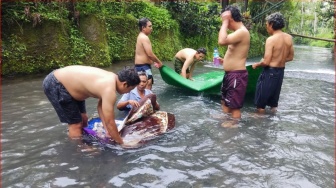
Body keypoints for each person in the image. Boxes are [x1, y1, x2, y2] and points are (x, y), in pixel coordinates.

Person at [42, 65, 140, 145]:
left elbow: (101, 108)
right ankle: (79, 150)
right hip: (56, 83)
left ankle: (80, 139)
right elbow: (110, 121)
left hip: (71, 86)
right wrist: (121, 143)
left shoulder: (112, 79)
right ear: (125, 84)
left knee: (84, 119)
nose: (128, 92)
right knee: (76, 124)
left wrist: (107, 131)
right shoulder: (109, 89)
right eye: (130, 89)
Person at [252, 12, 294, 114]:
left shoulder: (271, 39)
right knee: (273, 105)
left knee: (260, 105)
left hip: (269, 73)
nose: (266, 27)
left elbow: (266, 62)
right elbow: (290, 57)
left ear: (271, 24)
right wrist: (278, 60)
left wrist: (257, 64)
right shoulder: (289, 38)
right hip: (280, 73)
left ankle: (260, 127)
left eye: (267, 25)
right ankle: (272, 124)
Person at [218, 5, 250, 123]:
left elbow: (222, 41)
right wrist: (225, 60)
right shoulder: (238, 32)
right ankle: (226, 119)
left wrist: (225, 22)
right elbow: (234, 53)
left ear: (230, 19)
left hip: (237, 75)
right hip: (231, 74)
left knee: (234, 106)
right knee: (225, 101)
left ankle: (233, 128)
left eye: (225, 20)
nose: (224, 23)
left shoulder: (242, 32)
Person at [135, 17, 163, 90]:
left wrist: (153, 61)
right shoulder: (144, 38)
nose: (151, 28)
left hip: (141, 66)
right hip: (143, 67)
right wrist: (159, 62)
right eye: (149, 26)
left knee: (142, 87)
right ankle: (146, 101)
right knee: (147, 86)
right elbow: (150, 54)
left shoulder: (140, 36)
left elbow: (145, 53)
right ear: (143, 28)